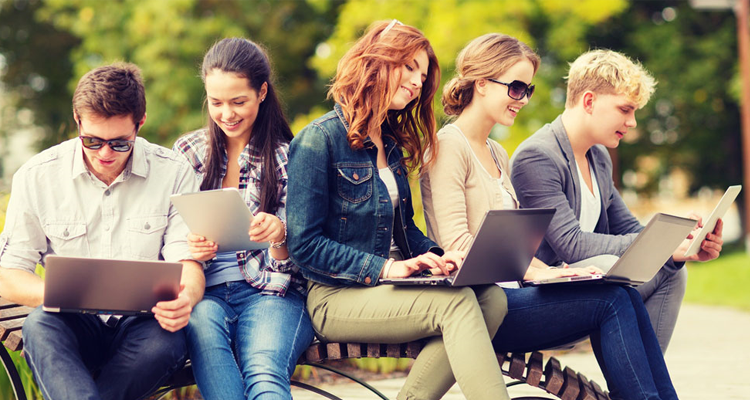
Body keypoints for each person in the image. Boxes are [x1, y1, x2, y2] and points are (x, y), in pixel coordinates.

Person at [422, 33, 679, 400]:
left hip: (514, 296)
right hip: (481, 307)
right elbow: (458, 245)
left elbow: (510, 247)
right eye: (515, 88)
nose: (522, 100)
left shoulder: (496, 152)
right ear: (481, 84)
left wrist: (554, 274)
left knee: (620, 293)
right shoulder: (449, 145)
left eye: (527, 90)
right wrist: (539, 272)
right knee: (612, 299)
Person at [287, 20, 510, 400]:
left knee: (492, 298)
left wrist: (439, 257)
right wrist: (387, 268)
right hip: (336, 294)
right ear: (375, 61)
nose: (417, 81)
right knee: (455, 305)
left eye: (422, 76)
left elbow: (403, 230)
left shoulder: (390, 143)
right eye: (409, 67)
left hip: (393, 284)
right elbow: (304, 245)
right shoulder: (318, 140)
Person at [0, 63, 204, 400]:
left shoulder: (174, 173)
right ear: (78, 121)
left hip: (143, 325)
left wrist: (188, 297)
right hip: (72, 321)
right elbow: (9, 275)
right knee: (39, 327)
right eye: (92, 141)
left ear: (140, 123)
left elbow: (189, 263)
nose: (105, 154)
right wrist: (66, 294)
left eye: (120, 143)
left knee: (169, 338)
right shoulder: (36, 176)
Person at [510, 49, 724, 353]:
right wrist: (658, 245)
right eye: (625, 110)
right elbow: (572, 245)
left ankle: (643, 387)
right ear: (589, 102)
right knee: (612, 267)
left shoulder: (598, 157)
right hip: (543, 297)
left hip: (587, 284)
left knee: (671, 273)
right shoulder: (538, 156)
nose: (633, 122)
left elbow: (628, 228)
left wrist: (680, 242)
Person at [172, 38, 314, 400]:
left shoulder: (289, 157)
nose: (227, 114)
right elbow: (169, 232)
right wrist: (189, 248)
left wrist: (280, 236)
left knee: (264, 373)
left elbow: (302, 262)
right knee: (201, 323)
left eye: (238, 102)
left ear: (262, 92)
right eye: (216, 102)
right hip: (206, 294)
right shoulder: (188, 152)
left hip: (272, 293)